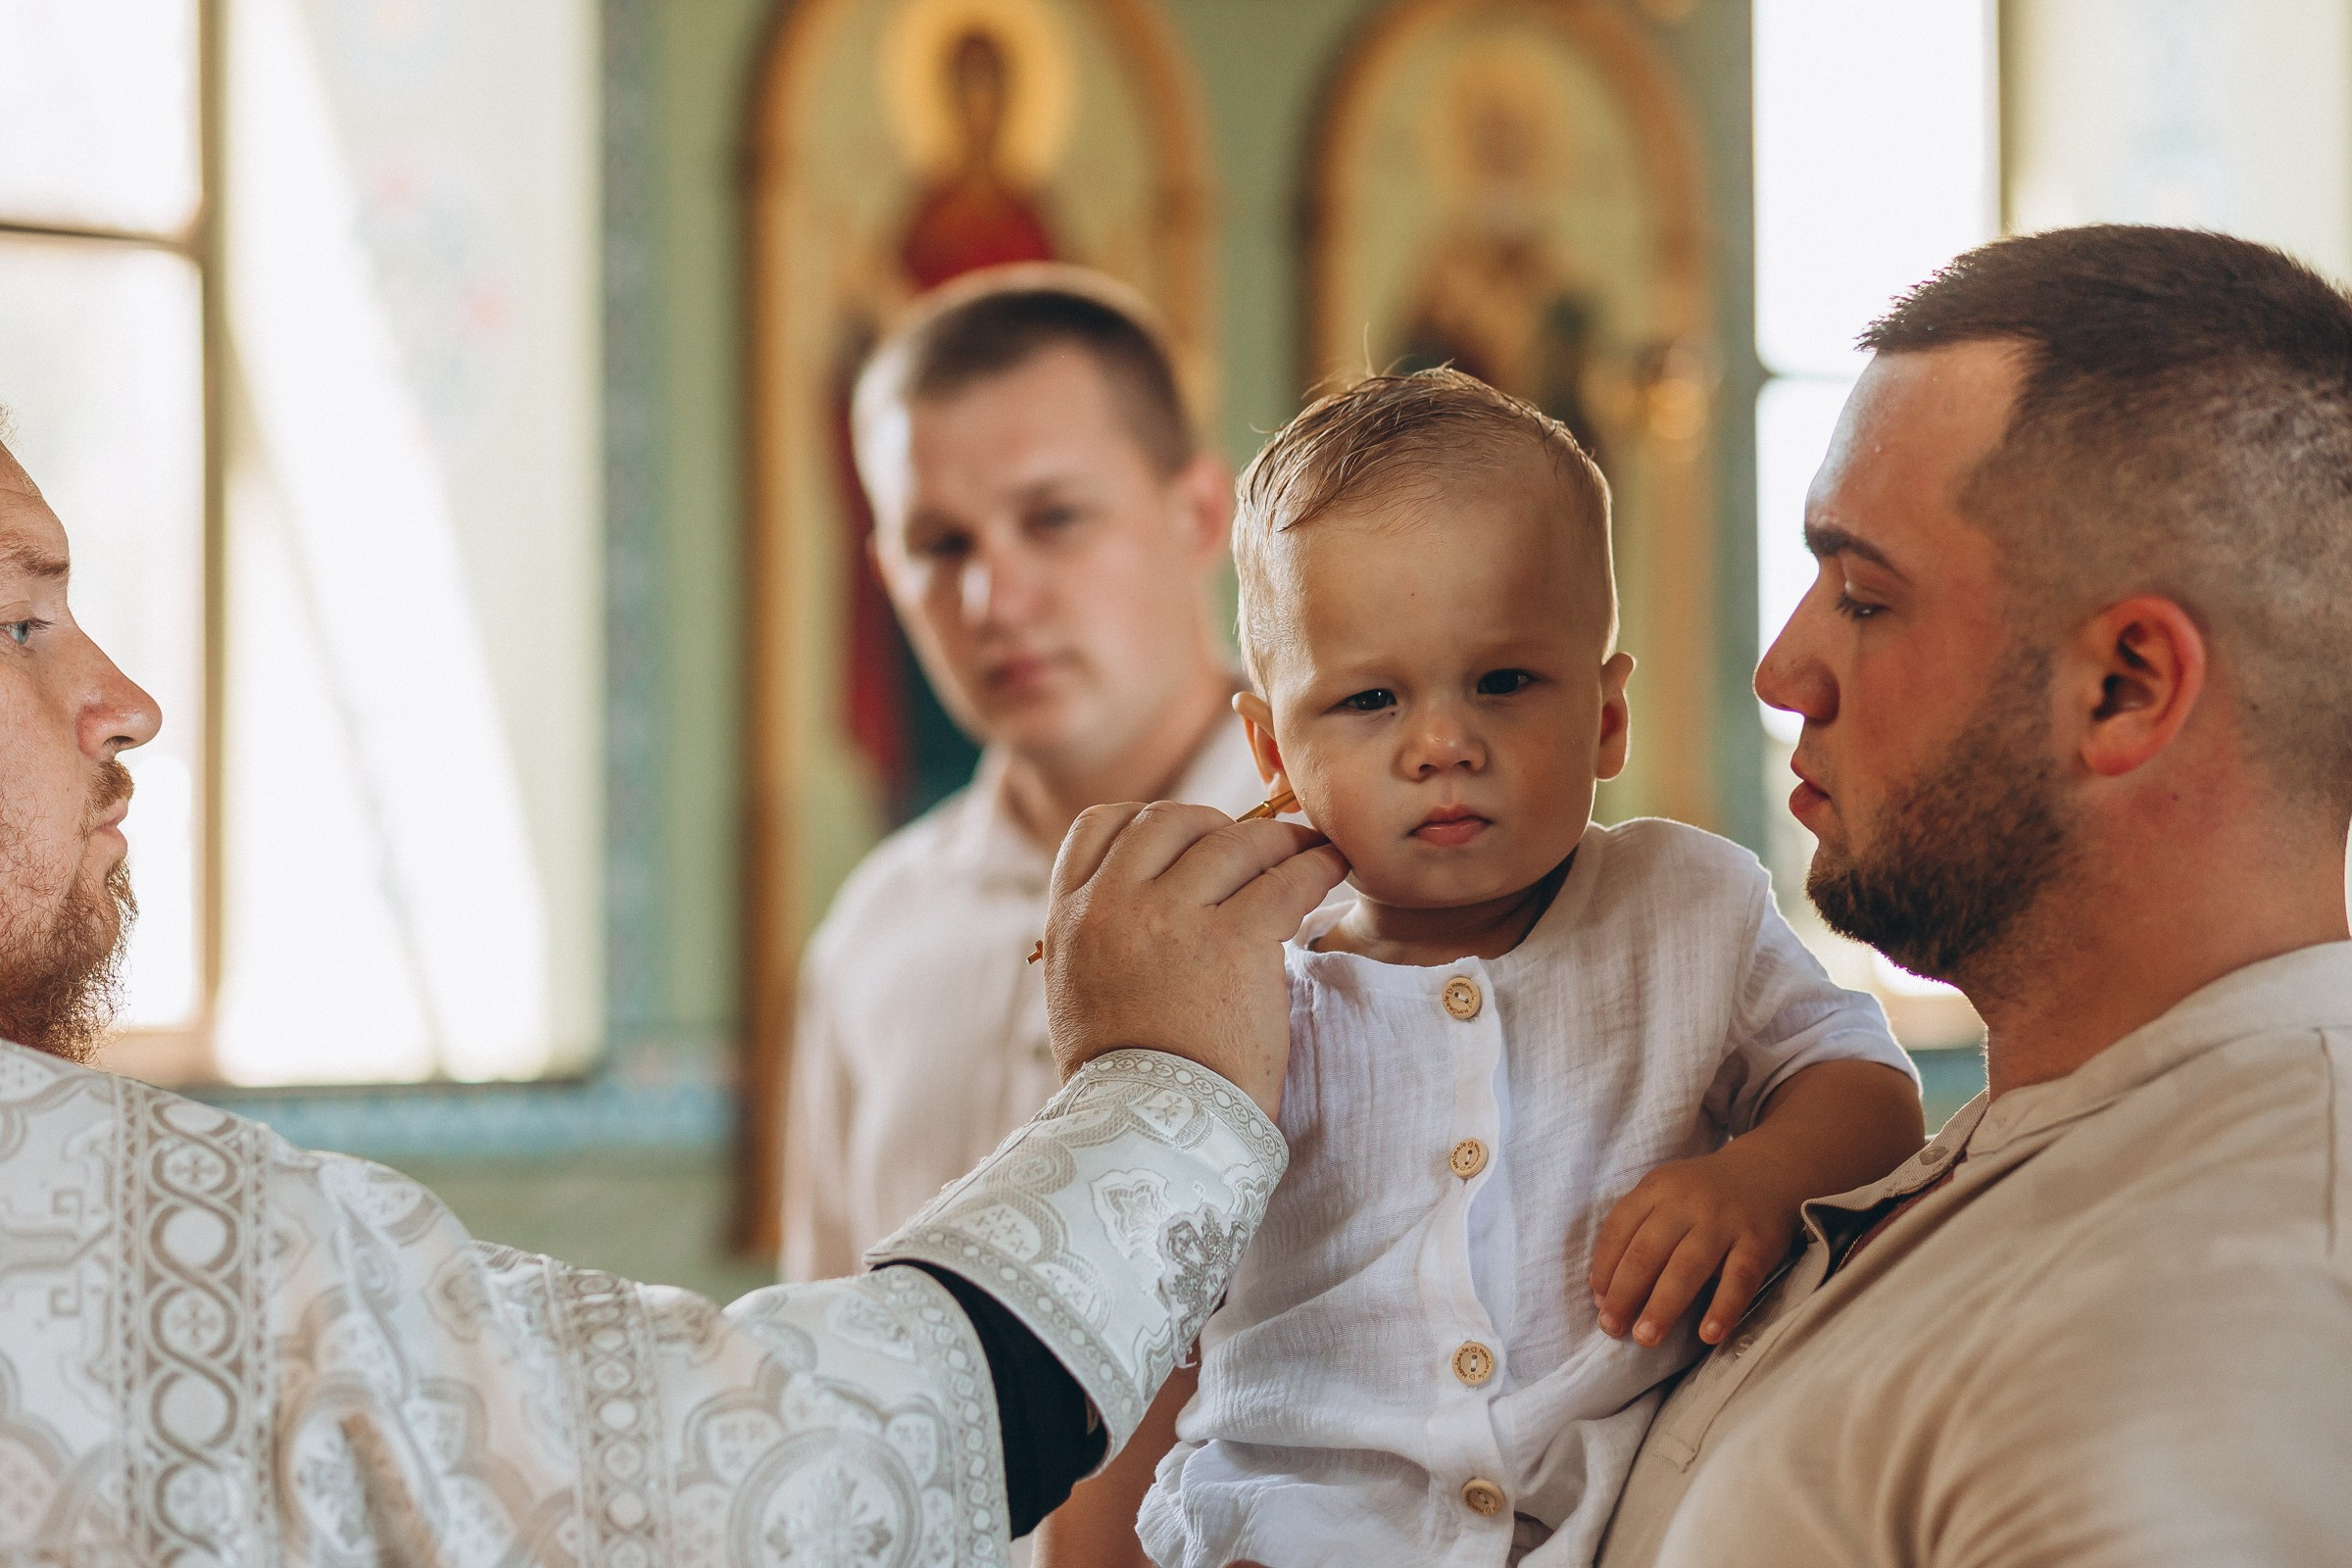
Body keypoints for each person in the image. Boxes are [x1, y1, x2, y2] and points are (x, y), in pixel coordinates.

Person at [0, 429, 1347, 1559]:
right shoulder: (877, 923)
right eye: (17, 621)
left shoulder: (1380, 900)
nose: (129, 702)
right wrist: (1161, 1099)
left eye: (1056, 517)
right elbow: (770, 1472)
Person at [1046, 369, 1927, 1567]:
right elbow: (1132, 1293)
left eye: (1504, 682)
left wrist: (1763, 1178)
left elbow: (1869, 1088)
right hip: (1292, 1529)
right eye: (1369, 699)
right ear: (1274, 751)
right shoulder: (1240, 986)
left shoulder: (1685, 906)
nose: (1443, 744)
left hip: (1612, 1520)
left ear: (1606, 717)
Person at [1597, 225, 2352, 1563]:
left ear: (2123, 687)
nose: (1784, 673)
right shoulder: (2055, 1130)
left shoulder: (2233, 1300)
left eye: (1863, 596)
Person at [784, 268, 1262, 1283]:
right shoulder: (872, 933)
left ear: (1198, 514)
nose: (992, 601)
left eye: (1052, 519)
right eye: (940, 544)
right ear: (890, 576)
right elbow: (828, 1324)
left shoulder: (1368, 878)